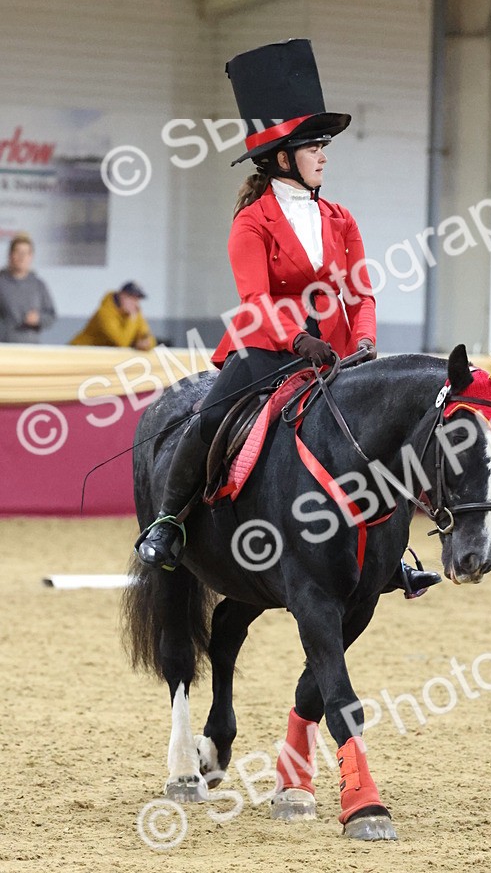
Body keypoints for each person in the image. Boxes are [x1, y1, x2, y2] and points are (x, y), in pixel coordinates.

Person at [135, 39, 439, 598]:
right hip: (265, 351)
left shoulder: (341, 218)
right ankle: (168, 522)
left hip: (340, 354)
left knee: (374, 437)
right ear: (282, 158)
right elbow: (255, 301)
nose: (324, 155)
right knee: (207, 420)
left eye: (325, 146)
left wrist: (364, 341)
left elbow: (361, 293)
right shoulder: (252, 223)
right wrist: (299, 340)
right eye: (314, 146)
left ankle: (392, 552)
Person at [0, 233, 56, 343]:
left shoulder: (38, 285)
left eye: (25, 253)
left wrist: (38, 319)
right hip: (4, 349)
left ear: (31, 256)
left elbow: (51, 315)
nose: (21, 257)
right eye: (18, 252)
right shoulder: (1, 283)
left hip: (30, 349)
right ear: (10, 255)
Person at [70, 281, 155, 350]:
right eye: (131, 298)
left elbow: (147, 335)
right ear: (122, 296)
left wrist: (146, 344)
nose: (135, 303)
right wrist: (131, 319)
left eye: (137, 299)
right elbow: (121, 343)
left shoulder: (135, 312)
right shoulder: (105, 312)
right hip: (80, 351)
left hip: (100, 356)